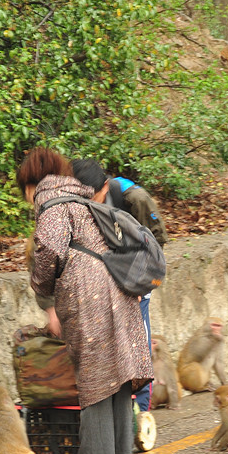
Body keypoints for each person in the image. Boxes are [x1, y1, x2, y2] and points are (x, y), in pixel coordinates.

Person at [17, 148, 153, 454]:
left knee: (92, 372)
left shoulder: (51, 203)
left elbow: (49, 248)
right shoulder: (81, 198)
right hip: (118, 286)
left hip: (88, 293)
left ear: (30, 184)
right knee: (117, 371)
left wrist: (42, 288)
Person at [69, 159, 164, 417]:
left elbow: (156, 243)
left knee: (137, 343)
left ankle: (141, 412)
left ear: (104, 187)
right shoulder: (71, 200)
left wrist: (138, 283)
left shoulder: (134, 198)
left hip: (133, 278)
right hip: (97, 280)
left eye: (92, 197)